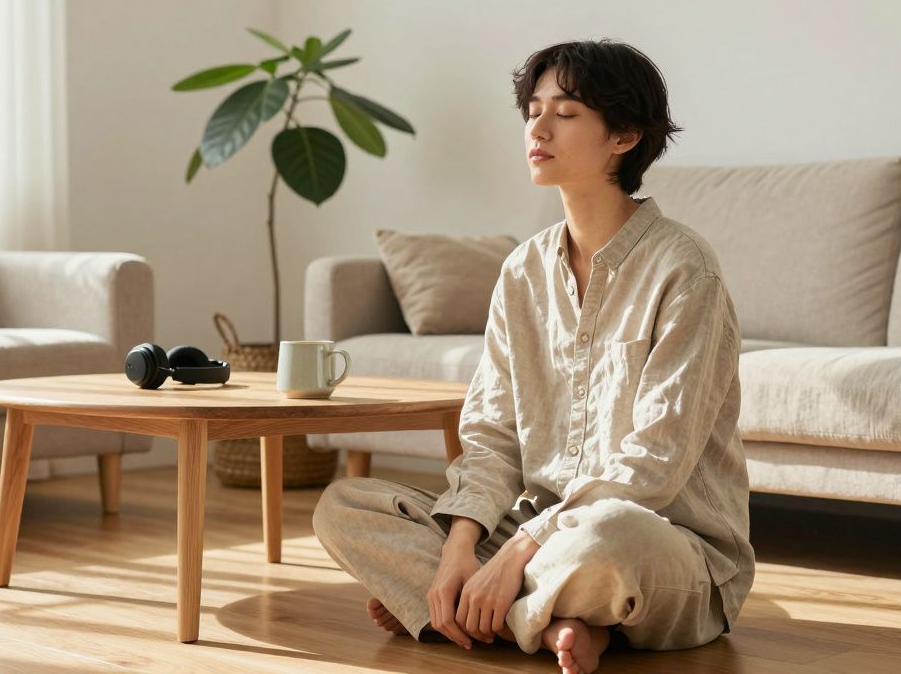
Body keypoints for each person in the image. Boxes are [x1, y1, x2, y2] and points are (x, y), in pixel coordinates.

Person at [313, 39, 754, 674]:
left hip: (658, 541)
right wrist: (460, 547)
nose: (538, 129)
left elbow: (655, 463)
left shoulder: (685, 270)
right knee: (343, 507)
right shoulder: (522, 270)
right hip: (530, 529)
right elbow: (492, 436)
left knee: (607, 538)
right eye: (533, 111)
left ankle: (459, 607)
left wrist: (518, 550)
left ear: (624, 136)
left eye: (566, 113)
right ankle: (549, 622)